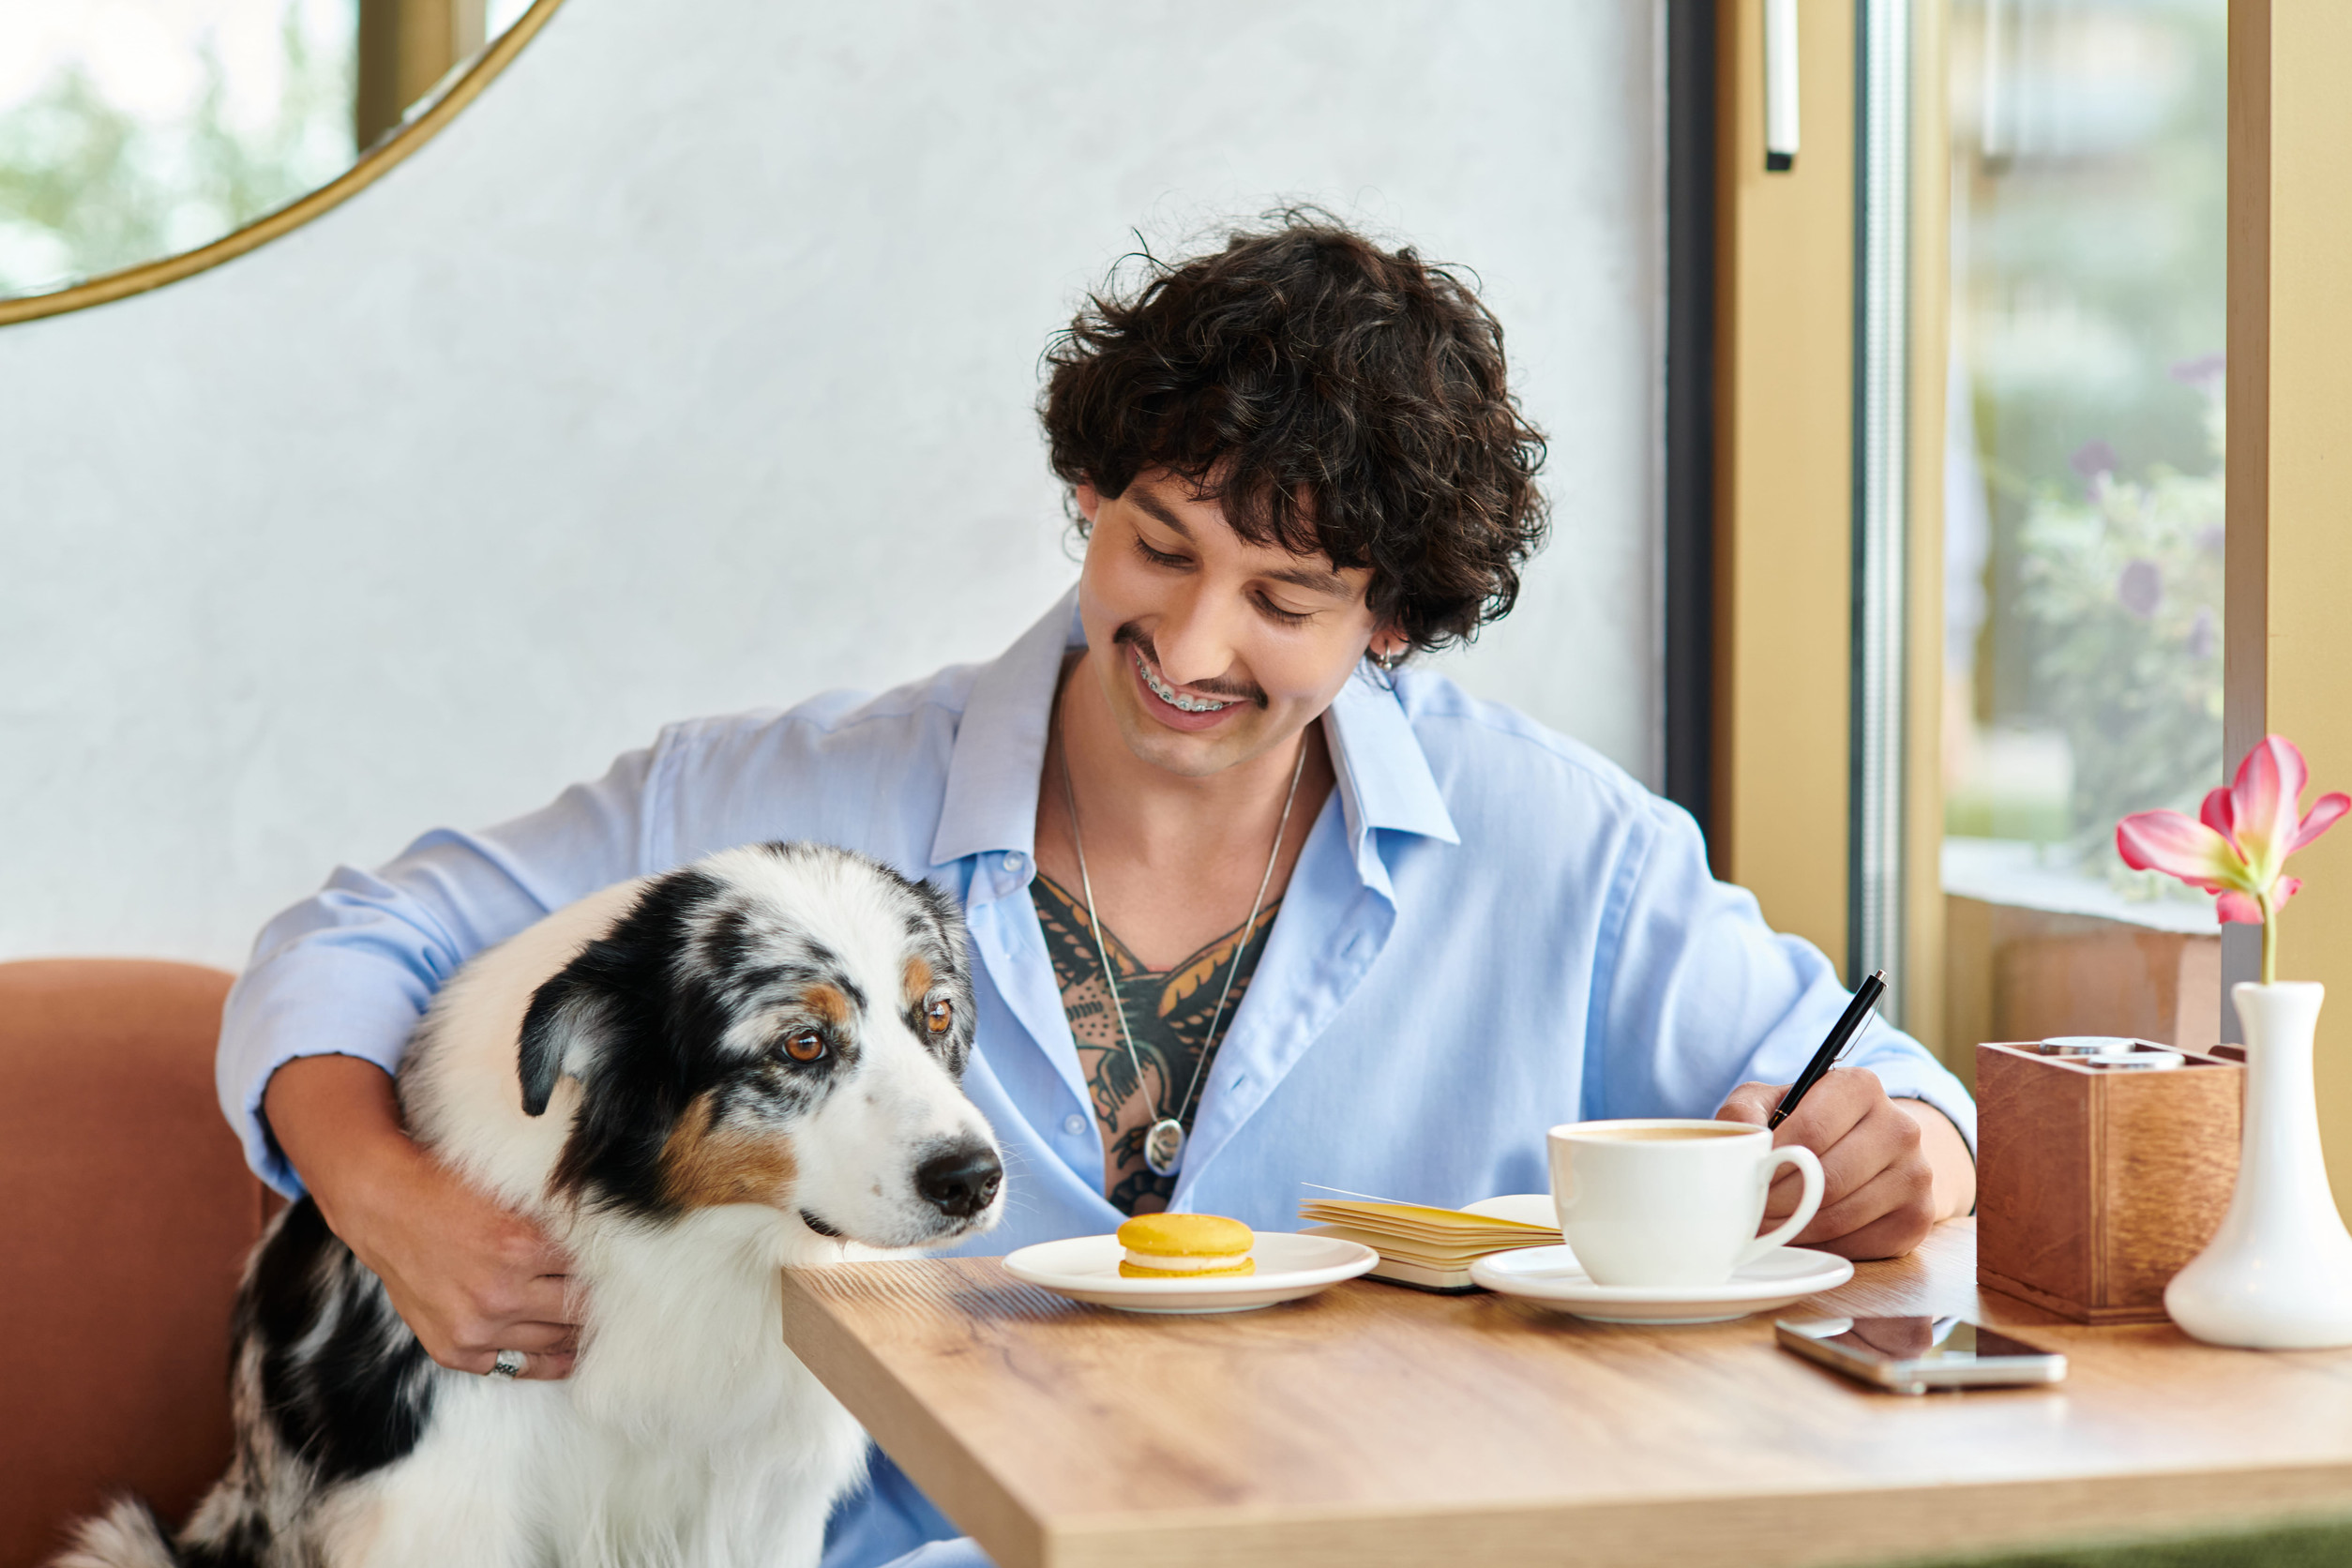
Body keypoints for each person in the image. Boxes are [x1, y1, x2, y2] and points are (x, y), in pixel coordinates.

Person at [222, 214, 1977, 1568]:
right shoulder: (776, 812)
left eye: (1286, 600)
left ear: (1397, 621)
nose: (1192, 645)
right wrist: (384, 1193)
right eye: (1157, 546)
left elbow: (1887, 1091)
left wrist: (1904, 1141)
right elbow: (352, 941)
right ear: (1087, 496)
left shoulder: (1563, 852)